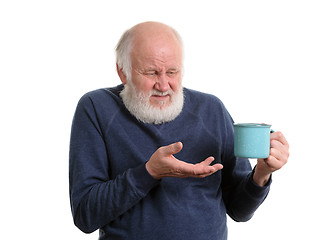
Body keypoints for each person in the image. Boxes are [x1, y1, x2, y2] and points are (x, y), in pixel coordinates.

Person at [69, 21, 289, 240]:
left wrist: (261, 174)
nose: (164, 85)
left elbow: (240, 211)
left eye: (172, 72)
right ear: (122, 72)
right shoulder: (96, 107)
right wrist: (149, 173)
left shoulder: (211, 109)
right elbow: (85, 215)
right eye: (151, 72)